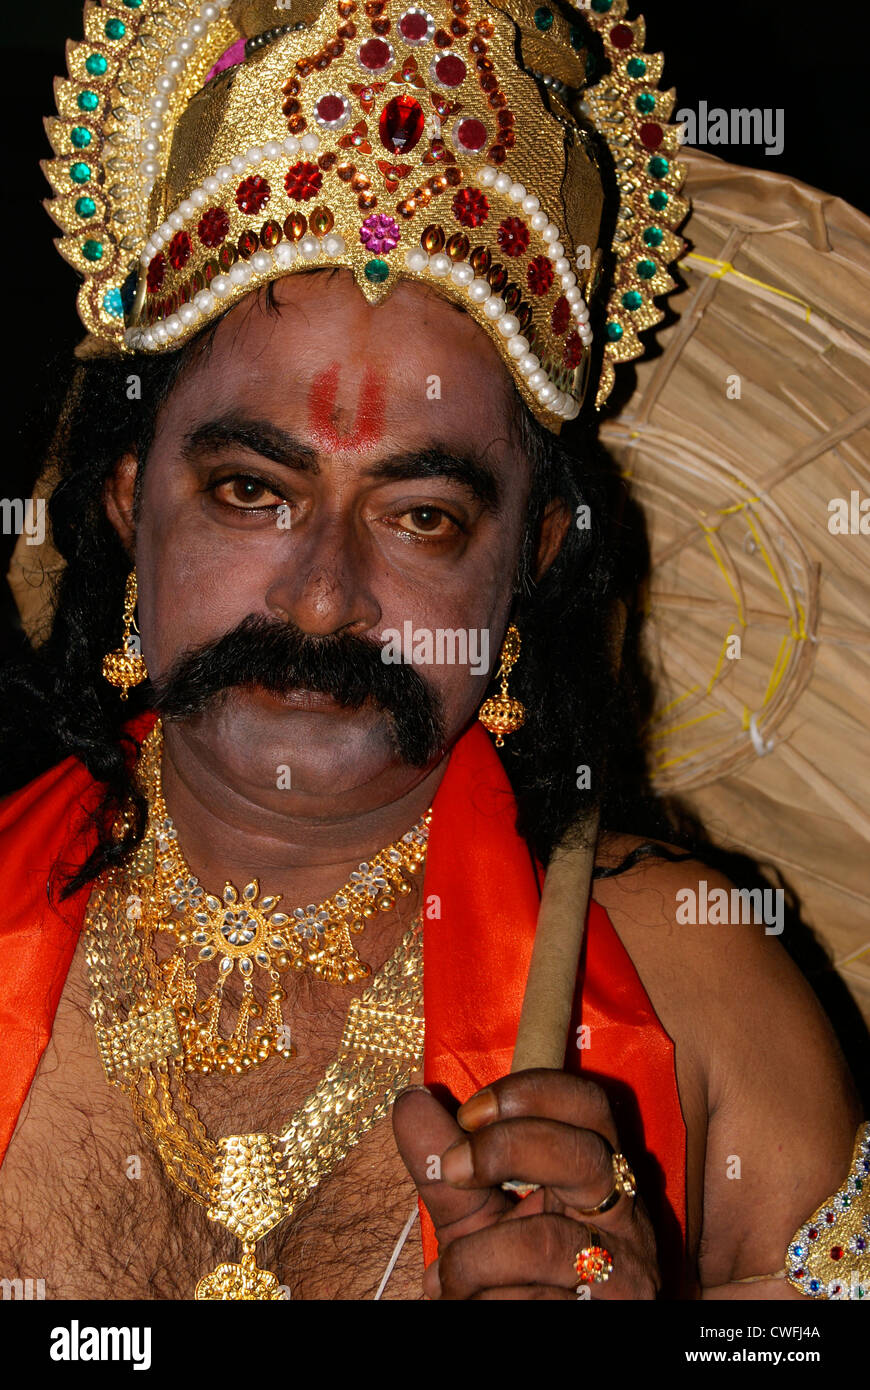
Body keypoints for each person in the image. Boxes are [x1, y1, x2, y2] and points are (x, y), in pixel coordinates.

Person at [0, 0, 864, 1301]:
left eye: (419, 516)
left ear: (532, 559)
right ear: (130, 502)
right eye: (252, 491)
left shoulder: (707, 998)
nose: (322, 596)